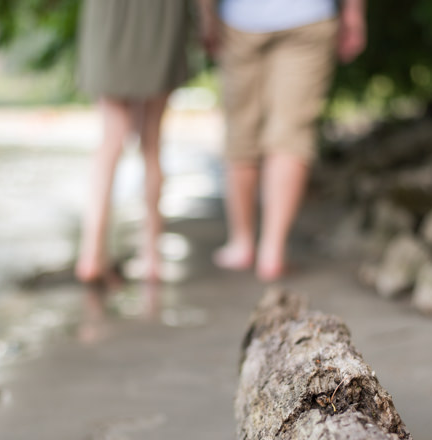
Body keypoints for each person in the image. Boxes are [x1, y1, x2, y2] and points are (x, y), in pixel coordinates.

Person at [198, 0, 367, 281]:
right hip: (307, 13)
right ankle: (272, 250)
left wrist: (206, 16)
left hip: (240, 18)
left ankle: (242, 243)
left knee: (241, 129)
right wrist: (353, 12)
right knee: (292, 131)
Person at [75, 0, 190, 283]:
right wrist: (208, 19)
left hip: (111, 14)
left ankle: (91, 253)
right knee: (152, 143)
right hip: (161, 14)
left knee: (110, 139)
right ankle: (151, 257)